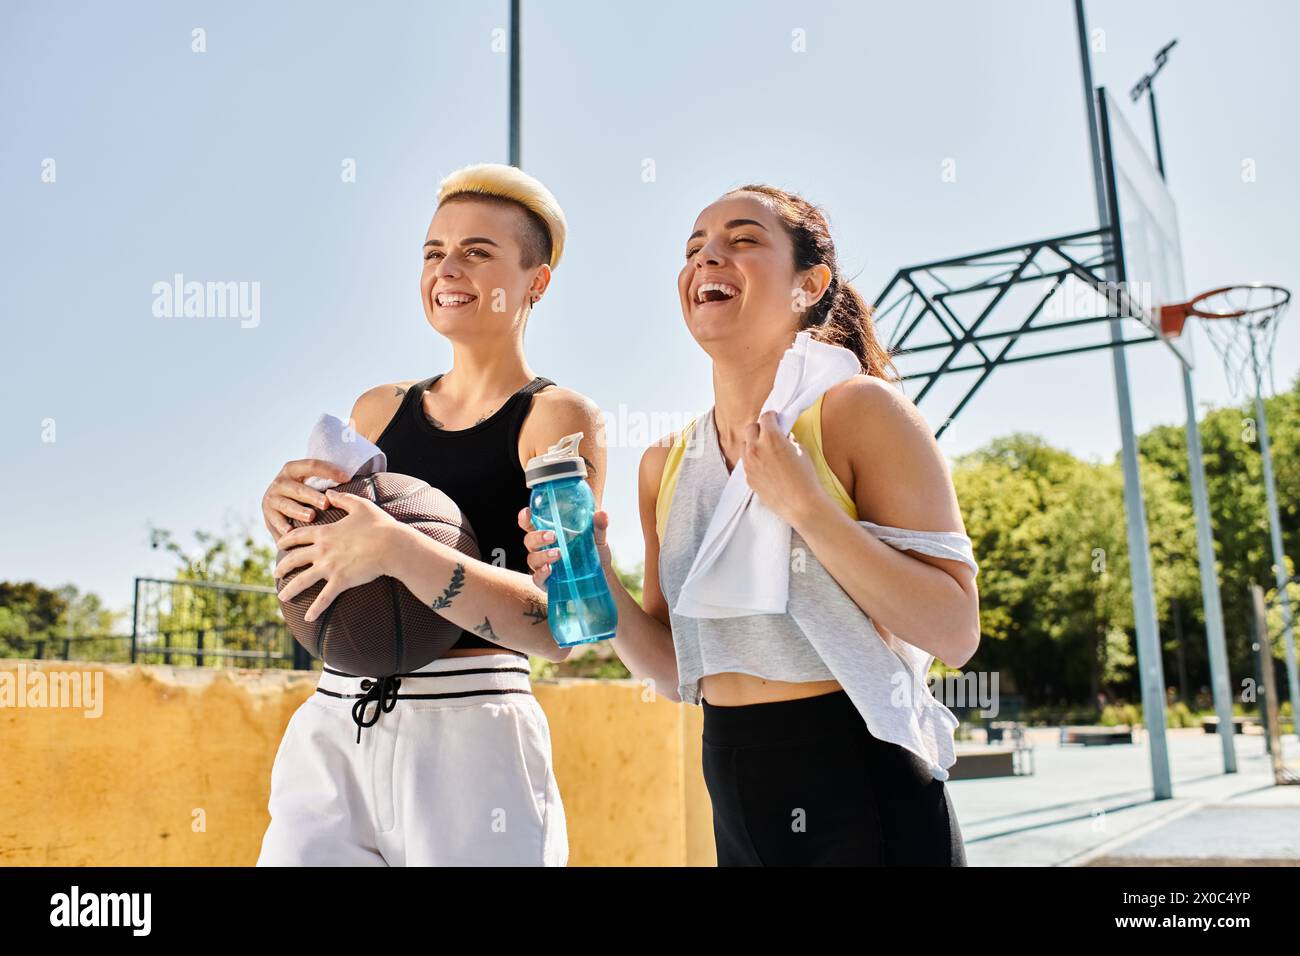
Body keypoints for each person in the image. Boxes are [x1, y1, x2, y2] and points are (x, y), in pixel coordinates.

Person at [521, 184, 981, 866]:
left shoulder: (859, 412)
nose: (708, 258)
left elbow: (955, 630)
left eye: (743, 241)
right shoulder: (664, 463)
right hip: (734, 788)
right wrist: (589, 566)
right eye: (693, 249)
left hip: (863, 783)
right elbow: (677, 668)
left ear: (810, 284)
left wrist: (807, 510)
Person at [257, 163, 606, 866]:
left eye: (478, 251)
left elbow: (565, 631)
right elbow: (335, 555)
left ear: (535, 282)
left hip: (472, 731)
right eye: (433, 251)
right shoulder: (376, 410)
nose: (448, 266)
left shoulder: (556, 417)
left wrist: (399, 552)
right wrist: (290, 511)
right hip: (336, 716)